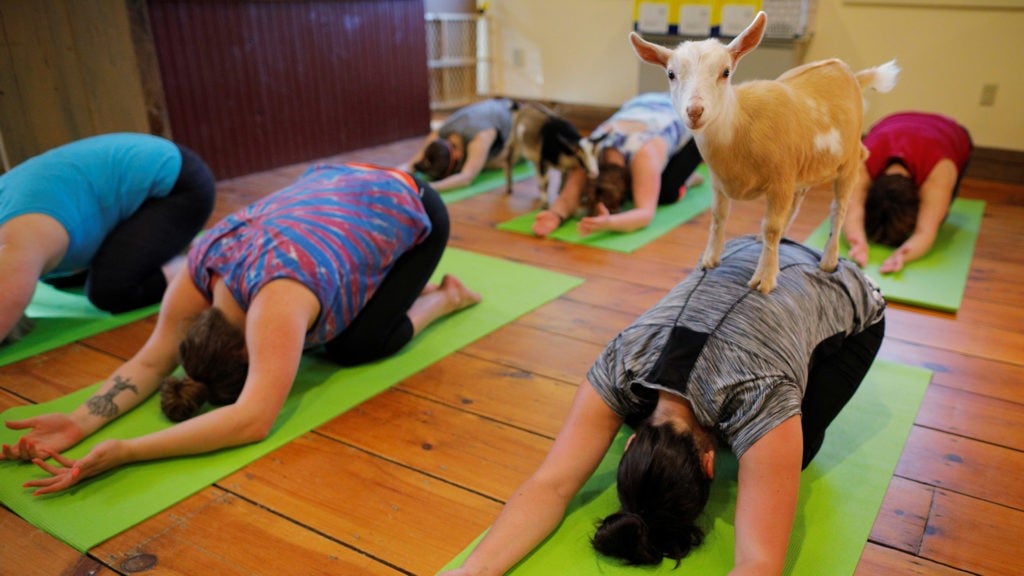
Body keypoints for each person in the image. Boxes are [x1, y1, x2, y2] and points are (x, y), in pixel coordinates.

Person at [0, 162, 481, 494]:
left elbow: (252, 420)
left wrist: (128, 450)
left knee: (354, 346)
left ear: (252, 349)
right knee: (331, 325)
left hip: (410, 201)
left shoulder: (280, 298)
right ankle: (389, 285)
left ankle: (445, 297)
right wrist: (78, 422)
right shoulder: (199, 274)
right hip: (337, 191)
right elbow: (152, 360)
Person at [442, 236, 886, 576]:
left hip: (836, 281)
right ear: (634, 440)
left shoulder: (763, 397)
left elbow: (759, 564)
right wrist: (472, 570)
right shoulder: (621, 361)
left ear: (710, 463)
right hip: (739, 249)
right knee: (762, 444)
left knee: (797, 448)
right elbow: (549, 486)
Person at [0, 132, 216, 345]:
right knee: (57, 275)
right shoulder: (22, 238)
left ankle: (203, 261)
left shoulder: (19, 241)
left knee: (112, 291)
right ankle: (168, 248)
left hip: (176, 186)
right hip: (128, 177)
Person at [532, 92, 703, 237]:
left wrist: (610, 223)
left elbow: (645, 214)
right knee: (647, 186)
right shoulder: (588, 152)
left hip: (693, 120)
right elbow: (569, 195)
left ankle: (686, 179)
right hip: (643, 105)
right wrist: (554, 215)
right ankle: (654, 179)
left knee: (665, 194)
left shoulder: (644, 156)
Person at [843, 111, 973, 273]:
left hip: (949, 132)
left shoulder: (939, 171)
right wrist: (858, 243)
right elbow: (852, 212)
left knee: (938, 214)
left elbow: (926, 231)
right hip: (892, 121)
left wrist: (902, 256)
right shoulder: (861, 162)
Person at [399, 98, 514, 192]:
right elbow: (412, 164)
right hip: (489, 107)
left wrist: (431, 187)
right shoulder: (438, 135)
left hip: (514, 116)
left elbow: (466, 178)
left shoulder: (479, 139)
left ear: (457, 155)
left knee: (490, 163)